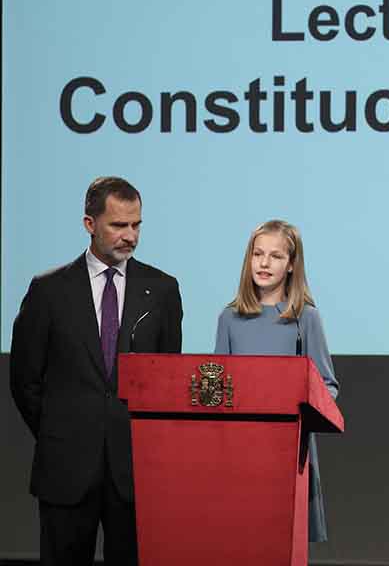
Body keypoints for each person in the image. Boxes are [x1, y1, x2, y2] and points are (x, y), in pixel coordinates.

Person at [9, 176, 183, 566]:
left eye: (136, 224)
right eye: (118, 225)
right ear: (90, 224)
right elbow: (25, 380)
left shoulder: (163, 290)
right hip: (66, 468)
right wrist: (63, 431)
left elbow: (165, 380)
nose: (130, 236)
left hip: (134, 472)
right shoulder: (48, 290)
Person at [214, 219, 339, 543]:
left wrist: (304, 413)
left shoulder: (305, 318)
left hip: (287, 453)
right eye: (258, 254)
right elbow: (217, 389)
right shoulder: (229, 318)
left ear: (291, 264)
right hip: (240, 455)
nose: (264, 263)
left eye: (275, 256)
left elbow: (328, 385)